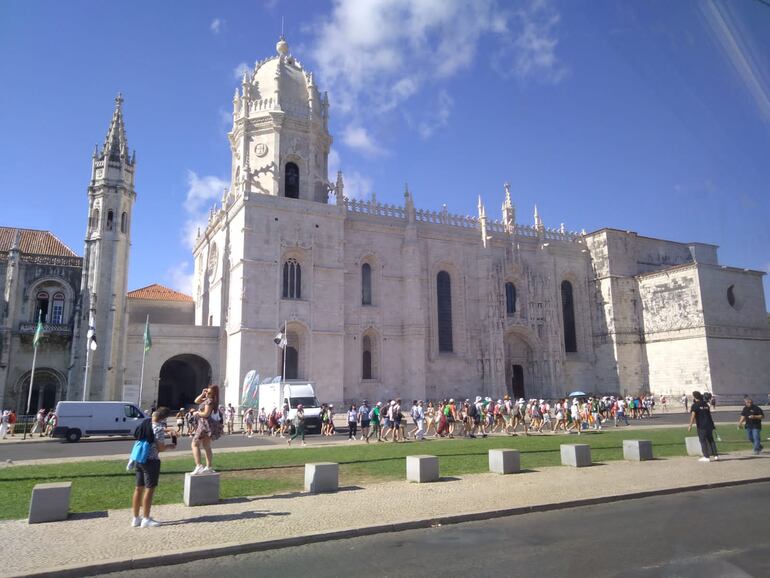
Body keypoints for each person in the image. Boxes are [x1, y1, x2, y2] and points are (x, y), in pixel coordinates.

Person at [131, 407, 176, 528]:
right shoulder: (159, 429)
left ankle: (135, 518)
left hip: (139, 458)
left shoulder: (145, 423)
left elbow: (152, 429)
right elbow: (160, 448)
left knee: (138, 488)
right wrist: (169, 446)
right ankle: (146, 519)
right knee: (149, 489)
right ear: (164, 418)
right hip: (151, 461)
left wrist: (166, 430)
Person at [190, 385, 224, 474]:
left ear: (213, 393)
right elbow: (196, 401)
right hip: (209, 426)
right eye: (207, 392)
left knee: (195, 444)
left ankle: (199, 465)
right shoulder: (211, 400)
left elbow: (206, 414)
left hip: (204, 425)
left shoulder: (209, 401)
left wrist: (196, 413)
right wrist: (202, 394)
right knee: (206, 445)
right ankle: (208, 466)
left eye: (209, 392)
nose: (207, 394)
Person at [688, 390, 718, 462]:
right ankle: (716, 455)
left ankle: (706, 456)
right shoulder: (706, 404)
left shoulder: (695, 405)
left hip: (701, 426)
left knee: (703, 441)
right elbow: (709, 415)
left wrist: (690, 425)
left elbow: (693, 416)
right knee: (711, 440)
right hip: (709, 424)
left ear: (695, 397)